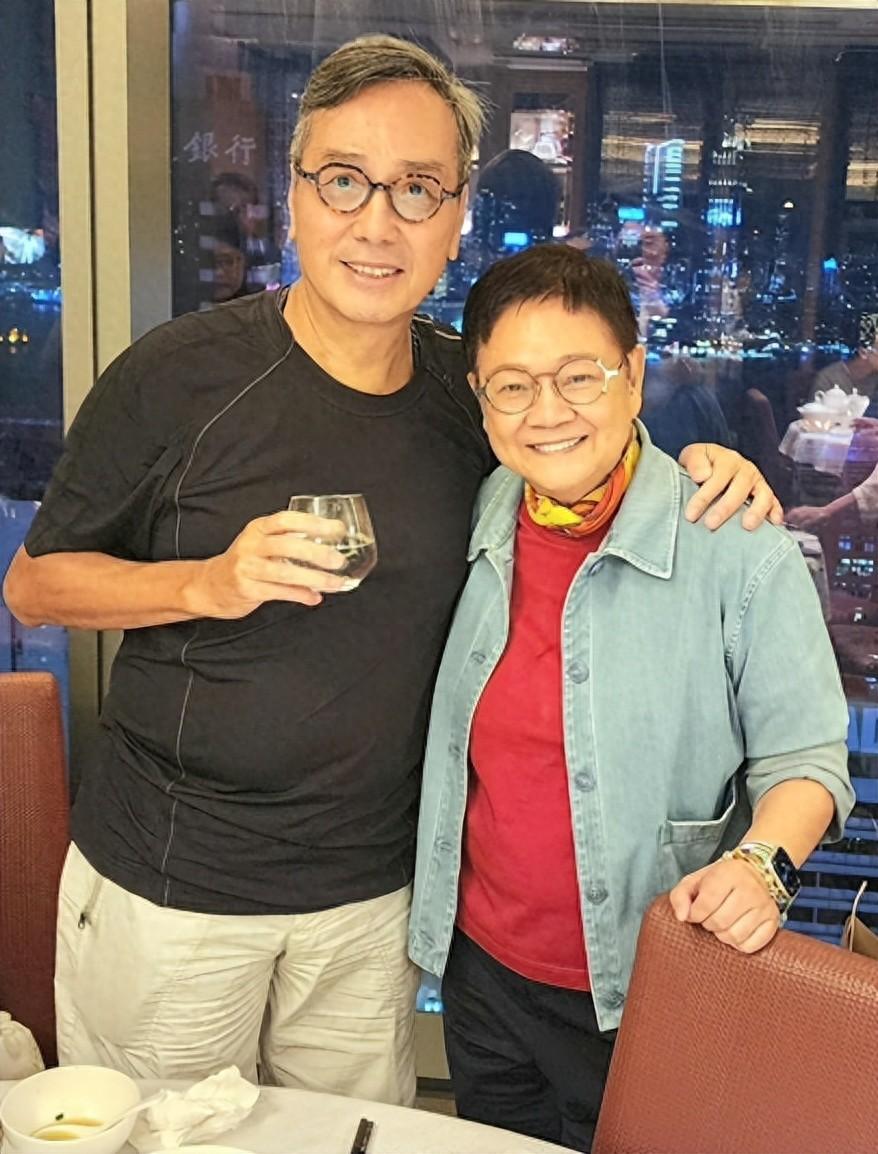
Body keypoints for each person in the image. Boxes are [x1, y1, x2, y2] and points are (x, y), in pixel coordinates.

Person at [4, 36, 779, 1101]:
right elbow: (35, 583)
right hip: (174, 886)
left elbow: (585, 446)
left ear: (457, 216)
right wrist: (205, 583)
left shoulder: (471, 393)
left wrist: (703, 466)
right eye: (343, 180)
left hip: (374, 901)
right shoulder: (178, 377)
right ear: (295, 196)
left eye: (417, 188)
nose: (377, 223)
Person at [408, 245, 853, 1151]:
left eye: (580, 377)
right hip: (482, 977)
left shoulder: (737, 544)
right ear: (481, 398)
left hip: (652, 982)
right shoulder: (482, 509)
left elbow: (807, 759)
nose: (547, 413)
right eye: (513, 386)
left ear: (635, 375)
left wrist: (760, 866)